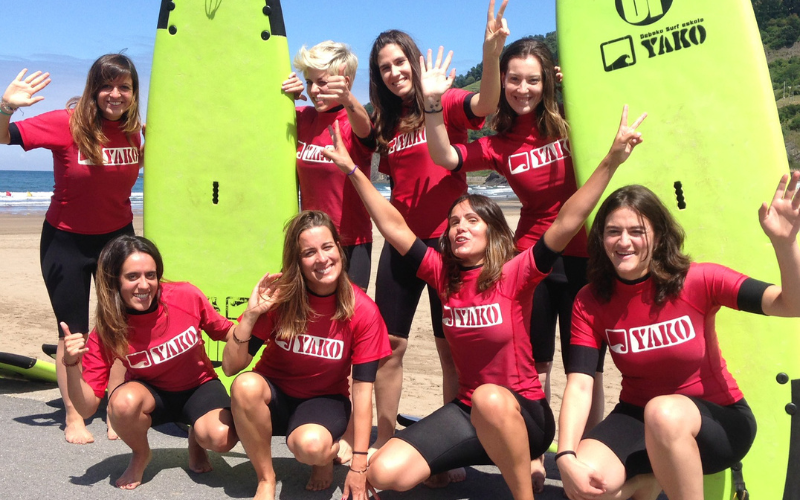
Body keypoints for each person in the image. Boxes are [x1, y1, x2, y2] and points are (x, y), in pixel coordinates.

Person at [322, 103, 645, 498]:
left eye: (472, 220)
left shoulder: (516, 272)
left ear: (492, 231)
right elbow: (394, 226)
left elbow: (568, 218)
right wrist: (352, 171)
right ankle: (462, 459)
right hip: (469, 411)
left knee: (490, 398)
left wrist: (612, 160)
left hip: (525, 413)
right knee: (386, 473)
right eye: (454, 222)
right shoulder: (442, 274)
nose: (460, 227)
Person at [556, 175, 800, 499]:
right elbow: (580, 384)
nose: (624, 241)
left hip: (718, 421)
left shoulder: (699, 280)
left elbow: (791, 304)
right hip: (638, 416)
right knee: (585, 482)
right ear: (601, 238)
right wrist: (565, 455)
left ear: (658, 236)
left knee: (663, 412)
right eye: (613, 231)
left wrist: (785, 243)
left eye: (637, 231)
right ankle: (646, 482)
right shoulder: (590, 300)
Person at [421, 37, 606, 429]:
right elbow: (445, 156)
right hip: (531, 260)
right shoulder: (499, 144)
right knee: (535, 364)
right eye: (515, 79)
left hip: (589, 256)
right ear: (502, 81)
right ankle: (533, 446)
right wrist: (433, 104)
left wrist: (580, 84)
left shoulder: (575, 119)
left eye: (534, 80)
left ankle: (590, 447)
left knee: (587, 368)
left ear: (548, 81)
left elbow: (619, 113)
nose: (524, 89)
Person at [366, 0, 510, 455]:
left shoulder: (443, 100)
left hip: (450, 246)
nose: (394, 72)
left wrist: (491, 55)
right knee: (389, 345)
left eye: (399, 61)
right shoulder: (384, 122)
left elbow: (486, 103)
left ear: (414, 59)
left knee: (451, 350)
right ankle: (384, 439)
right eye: (385, 67)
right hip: (402, 245)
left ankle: (449, 446)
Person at [0, 54, 143, 444]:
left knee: (119, 326)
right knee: (71, 332)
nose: (115, 94)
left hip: (117, 241)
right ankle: (74, 414)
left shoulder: (136, 131)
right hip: (65, 241)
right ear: (93, 89)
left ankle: (115, 407)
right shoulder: (66, 123)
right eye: (106, 85)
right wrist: (6, 106)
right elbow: (4, 136)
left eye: (124, 86)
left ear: (133, 92)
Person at [222, 210, 392, 500]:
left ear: (339, 248)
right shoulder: (281, 298)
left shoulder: (362, 310)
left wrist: (359, 463)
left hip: (324, 400)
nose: (322, 259)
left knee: (311, 447)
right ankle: (266, 478)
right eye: (309, 253)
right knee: (244, 385)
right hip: (274, 395)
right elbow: (230, 367)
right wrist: (251, 315)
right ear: (297, 261)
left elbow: (363, 391)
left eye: (327, 247)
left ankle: (326, 454)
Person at [62, 235, 238, 490]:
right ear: (115, 280)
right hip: (152, 394)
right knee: (122, 403)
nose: (144, 285)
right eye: (132, 276)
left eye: (151, 275)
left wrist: (258, 319)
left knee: (221, 439)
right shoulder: (108, 330)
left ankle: (196, 437)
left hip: (199, 386)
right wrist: (71, 364)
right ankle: (141, 453)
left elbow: (226, 331)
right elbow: (87, 408)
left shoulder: (185, 295)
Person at [281, 40, 374, 291]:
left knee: (351, 312)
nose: (314, 90)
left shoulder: (354, 122)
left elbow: (367, 130)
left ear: (346, 82)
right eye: (309, 82)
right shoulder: (302, 118)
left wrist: (347, 98)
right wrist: (283, 95)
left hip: (351, 242)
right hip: (310, 242)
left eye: (322, 82)